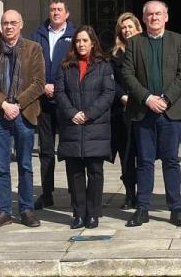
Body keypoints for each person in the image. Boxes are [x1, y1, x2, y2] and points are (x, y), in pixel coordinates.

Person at [122, 0, 181, 228]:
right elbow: (127, 74)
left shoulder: (178, 40)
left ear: (166, 17)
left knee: (171, 161)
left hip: (170, 112)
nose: (154, 17)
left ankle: (176, 208)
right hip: (143, 111)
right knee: (144, 161)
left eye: (158, 14)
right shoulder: (134, 43)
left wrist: (166, 99)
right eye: (150, 14)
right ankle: (142, 208)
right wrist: (147, 98)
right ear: (143, 18)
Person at [0, 9, 46, 229]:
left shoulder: (33, 48)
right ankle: (4, 211)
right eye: (5, 23)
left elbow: (39, 83)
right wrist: (4, 104)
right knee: (1, 166)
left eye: (13, 23)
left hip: (23, 113)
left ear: (21, 25)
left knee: (25, 165)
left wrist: (17, 104)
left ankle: (26, 209)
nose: (8, 27)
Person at [55, 26, 115, 229]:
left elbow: (108, 94)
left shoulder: (103, 65)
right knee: (75, 173)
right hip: (72, 126)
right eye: (78, 41)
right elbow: (60, 93)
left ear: (93, 43)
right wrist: (72, 113)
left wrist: (88, 114)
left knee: (95, 172)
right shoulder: (65, 66)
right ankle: (79, 214)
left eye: (85, 41)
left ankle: (93, 214)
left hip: (95, 127)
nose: (81, 44)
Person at [31, 0, 77, 210]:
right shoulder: (37, 36)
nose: (56, 12)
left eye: (59, 9)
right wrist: (42, 86)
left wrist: (58, 87)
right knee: (46, 150)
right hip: (44, 101)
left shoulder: (75, 36)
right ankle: (47, 192)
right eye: (52, 9)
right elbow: (31, 66)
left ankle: (74, 192)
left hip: (66, 100)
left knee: (69, 148)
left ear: (67, 14)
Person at [111, 12, 142, 210]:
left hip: (144, 107)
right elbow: (110, 80)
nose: (127, 30)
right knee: (127, 154)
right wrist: (122, 96)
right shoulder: (115, 55)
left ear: (138, 28)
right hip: (122, 111)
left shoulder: (146, 49)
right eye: (123, 27)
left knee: (144, 154)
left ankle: (143, 194)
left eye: (130, 26)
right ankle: (130, 194)